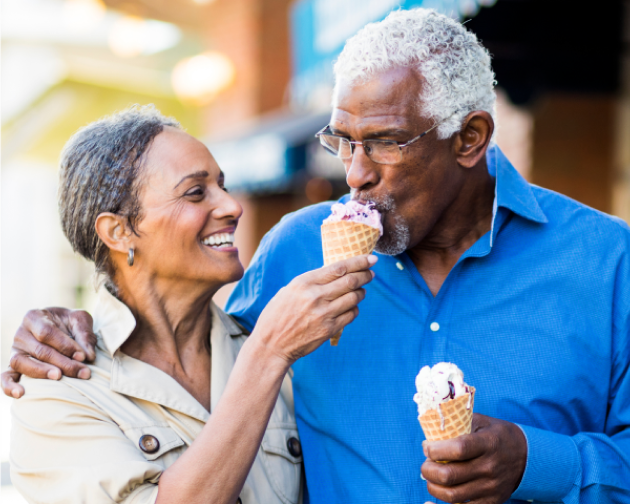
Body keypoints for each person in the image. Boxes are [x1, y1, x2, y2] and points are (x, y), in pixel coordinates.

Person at [3, 8, 630, 504]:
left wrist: (538, 462)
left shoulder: (607, 263)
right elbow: (178, 339)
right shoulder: (294, 253)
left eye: (383, 142)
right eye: (341, 141)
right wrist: (58, 326)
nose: (353, 175)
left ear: (469, 138)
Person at [3, 105, 375, 504]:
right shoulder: (58, 391)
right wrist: (269, 352)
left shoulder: (274, 345)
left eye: (223, 186)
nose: (233, 207)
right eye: (196, 192)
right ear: (120, 231)